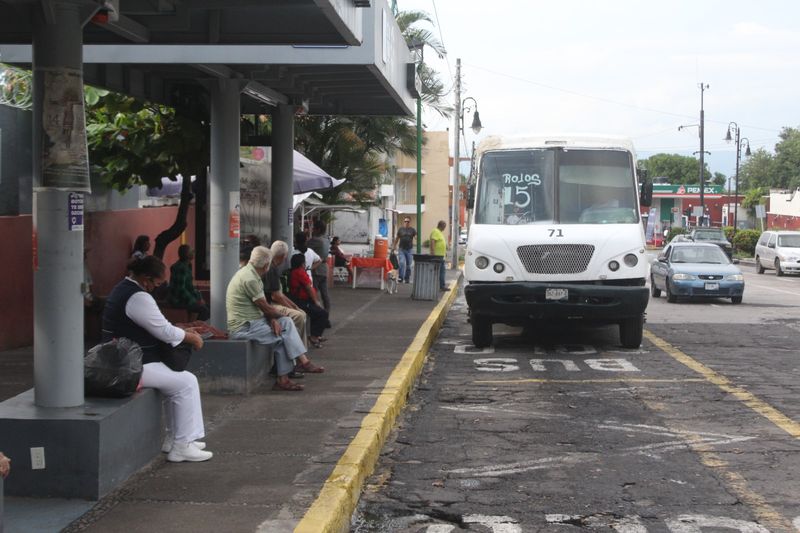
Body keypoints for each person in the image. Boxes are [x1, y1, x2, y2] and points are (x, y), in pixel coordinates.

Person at [102, 255, 212, 463]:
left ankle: (175, 439)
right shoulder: (138, 297)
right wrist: (191, 337)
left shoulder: (122, 289)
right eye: (158, 283)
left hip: (123, 358)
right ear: (146, 278)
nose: (158, 287)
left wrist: (181, 329)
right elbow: (163, 331)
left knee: (178, 384)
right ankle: (182, 446)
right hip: (130, 365)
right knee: (186, 383)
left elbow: (157, 324)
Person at [226, 246, 324, 391]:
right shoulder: (250, 279)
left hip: (255, 322)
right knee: (283, 336)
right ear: (266, 265)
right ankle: (286, 376)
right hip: (245, 326)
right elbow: (265, 307)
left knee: (286, 323)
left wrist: (274, 319)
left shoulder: (251, 273)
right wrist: (278, 316)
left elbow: (263, 306)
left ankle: (299, 365)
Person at [266, 241, 308, 346]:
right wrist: (293, 308)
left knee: (300, 312)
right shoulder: (271, 269)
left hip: (270, 303)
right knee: (299, 316)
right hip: (269, 304)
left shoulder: (272, 266)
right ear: (284, 256)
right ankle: (299, 350)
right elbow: (276, 296)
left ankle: (299, 349)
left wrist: (294, 306)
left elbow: (279, 294)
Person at [288, 253, 330, 348]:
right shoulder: (299, 272)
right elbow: (308, 288)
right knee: (322, 313)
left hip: (301, 299)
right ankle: (314, 337)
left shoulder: (294, 271)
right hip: (301, 301)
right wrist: (316, 301)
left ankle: (316, 335)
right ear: (302, 263)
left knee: (316, 313)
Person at [167, 244, 210, 321]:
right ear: (187, 254)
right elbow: (181, 290)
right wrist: (195, 301)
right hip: (177, 300)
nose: (194, 252)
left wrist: (199, 298)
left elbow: (190, 287)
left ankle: (195, 326)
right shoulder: (181, 268)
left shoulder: (188, 265)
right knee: (204, 310)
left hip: (184, 299)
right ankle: (194, 328)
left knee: (208, 307)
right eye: (192, 251)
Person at [307, 220, 331, 312]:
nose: (312, 230)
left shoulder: (314, 240)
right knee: (325, 294)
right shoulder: (326, 240)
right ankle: (326, 314)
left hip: (315, 269)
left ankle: (317, 313)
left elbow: (305, 247)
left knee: (314, 293)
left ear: (318, 229)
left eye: (314, 228)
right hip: (324, 269)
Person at [392, 216, 417, 284]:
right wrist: (394, 247)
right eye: (405, 221)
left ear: (410, 222)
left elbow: (416, 237)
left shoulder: (412, 230)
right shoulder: (401, 229)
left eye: (408, 221)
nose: (406, 223)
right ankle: (401, 277)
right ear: (404, 222)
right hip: (401, 249)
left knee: (408, 265)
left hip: (409, 250)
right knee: (402, 263)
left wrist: (416, 238)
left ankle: (407, 278)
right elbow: (397, 239)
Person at [429, 220, 448, 291]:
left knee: (441, 271)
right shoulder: (436, 231)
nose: (444, 228)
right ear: (441, 226)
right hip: (437, 256)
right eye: (444, 226)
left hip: (440, 255)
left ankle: (441, 285)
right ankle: (441, 286)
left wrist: (444, 252)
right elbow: (432, 242)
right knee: (441, 271)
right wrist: (433, 252)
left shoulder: (439, 232)